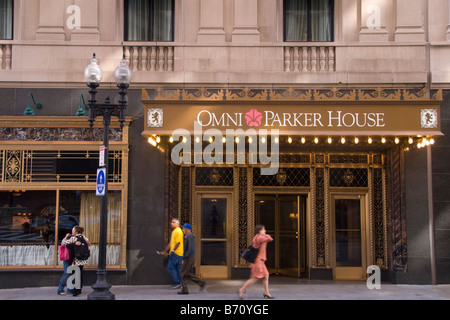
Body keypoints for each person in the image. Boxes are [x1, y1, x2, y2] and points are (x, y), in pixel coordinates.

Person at [238, 224, 274, 299]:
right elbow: (270, 238)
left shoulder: (258, 236)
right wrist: (266, 235)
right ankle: (241, 290)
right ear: (260, 231)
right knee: (254, 278)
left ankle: (266, 292)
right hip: (258, 261)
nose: (265, 231)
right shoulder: (260, 237)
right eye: (263, 229)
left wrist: (265, 235)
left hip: (260, 260)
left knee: (266, 275)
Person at [62, 225, 90, 297]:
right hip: (82, 259)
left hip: (76, 260)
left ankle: (75, 291)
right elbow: (88, 244)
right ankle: (79, 289)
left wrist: (66, 237)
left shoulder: (74, 238)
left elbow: (63, 243)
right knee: (80, 274)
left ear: (76, 231)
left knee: (75, 275)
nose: (72, 231)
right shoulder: (83, 237)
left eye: (73, 230)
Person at [178, 223, 205, 295]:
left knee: (183, 273)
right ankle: (201, 283)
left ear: (187, 229)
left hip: (188, 257)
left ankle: (185, 290)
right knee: (187, 273)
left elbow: (189, 249)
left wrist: (184, 258)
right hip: (189, 257)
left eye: (184, 228)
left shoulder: (189, 237)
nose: (183, 230)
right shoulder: (188, 236)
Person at [162, 218, 184, 288]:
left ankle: (177, 282)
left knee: (170, 267)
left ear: (177, 224)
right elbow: (171, 243)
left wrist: (173, 251)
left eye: (173, 222)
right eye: (171, 222)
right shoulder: (174, 231)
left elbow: (178, 243)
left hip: (176, 253)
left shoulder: (178, 231)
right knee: (178, 269)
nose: (171, 223)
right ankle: (180, 283)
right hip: (178, 253)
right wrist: (165, 250)